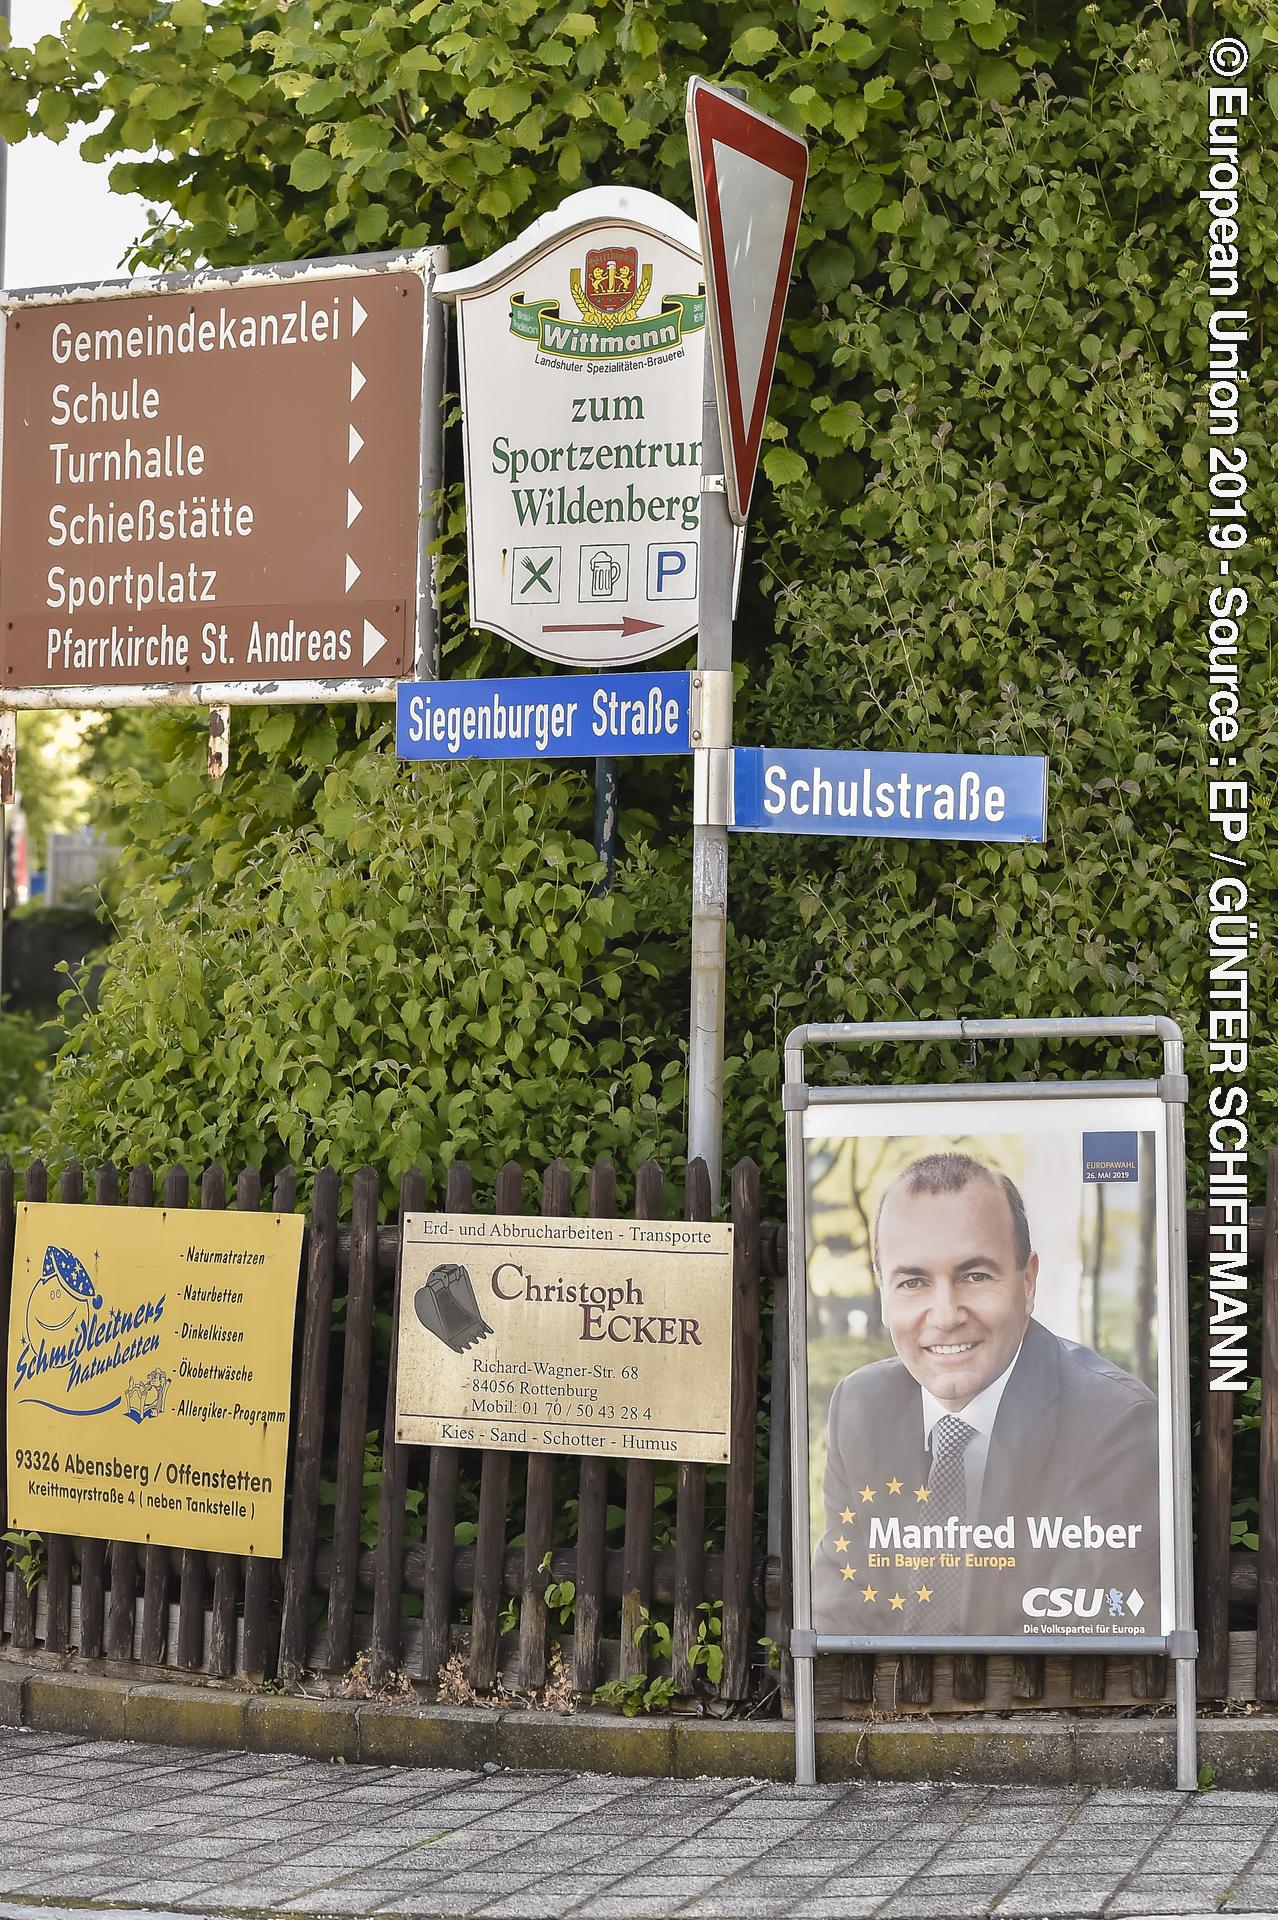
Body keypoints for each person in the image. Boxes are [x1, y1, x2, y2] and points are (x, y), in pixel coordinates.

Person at [811, 1151, 1160, 1635]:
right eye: (913, 1281)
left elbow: (1090, 1633)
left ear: (1028, 1282)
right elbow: (838, 1610)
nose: (945, 1314)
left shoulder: (1114, 1425)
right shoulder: (860, 1406)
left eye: (974, 1276)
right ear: (883, 1296)